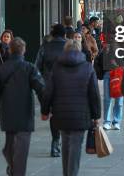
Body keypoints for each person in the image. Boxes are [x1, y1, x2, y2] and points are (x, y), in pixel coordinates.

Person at [0, 37, 45, 176]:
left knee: (10, 145)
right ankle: (16, 170)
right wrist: (47, 109)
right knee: (22, 150)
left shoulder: (0, 70)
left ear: (10, 50)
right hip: (25, 114)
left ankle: (13, 167)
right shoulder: (30, 68)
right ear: (24, 51)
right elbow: (41, 89)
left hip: (7, 113)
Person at [41, 39, 101, 176]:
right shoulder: (87, 67)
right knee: (75, 148)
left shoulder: (56, 68)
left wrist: (45, 111)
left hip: (61, 115)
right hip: (80, 116)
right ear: (79, 50)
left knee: (66, 146)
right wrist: (96, 116)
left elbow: (48, 92)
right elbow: (94, 94)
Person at [35, 24, 68, 157]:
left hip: (50, 86)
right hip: (67, 86)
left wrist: (42, 85)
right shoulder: (69, 47)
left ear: (52, 35)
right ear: (65, 34)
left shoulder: (44, 47)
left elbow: (36, 67)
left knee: (54, 115)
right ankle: (66, 141)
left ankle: (55, 142)